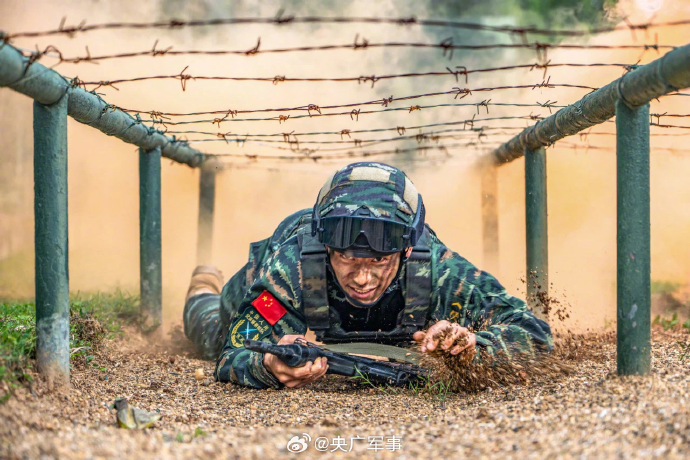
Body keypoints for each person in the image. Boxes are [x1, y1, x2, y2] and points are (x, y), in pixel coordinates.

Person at [183, 162, 552, 389]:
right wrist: (268, 366)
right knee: (209, 332)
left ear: (406, 249)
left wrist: (472, 344)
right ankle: (203, 282)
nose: (361, 278)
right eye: (346, 257)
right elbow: (232, 354)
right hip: (256, 280)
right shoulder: (290, 269)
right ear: (326, 247)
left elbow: (534, 333)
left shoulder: (439, 269)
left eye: (378, 262)